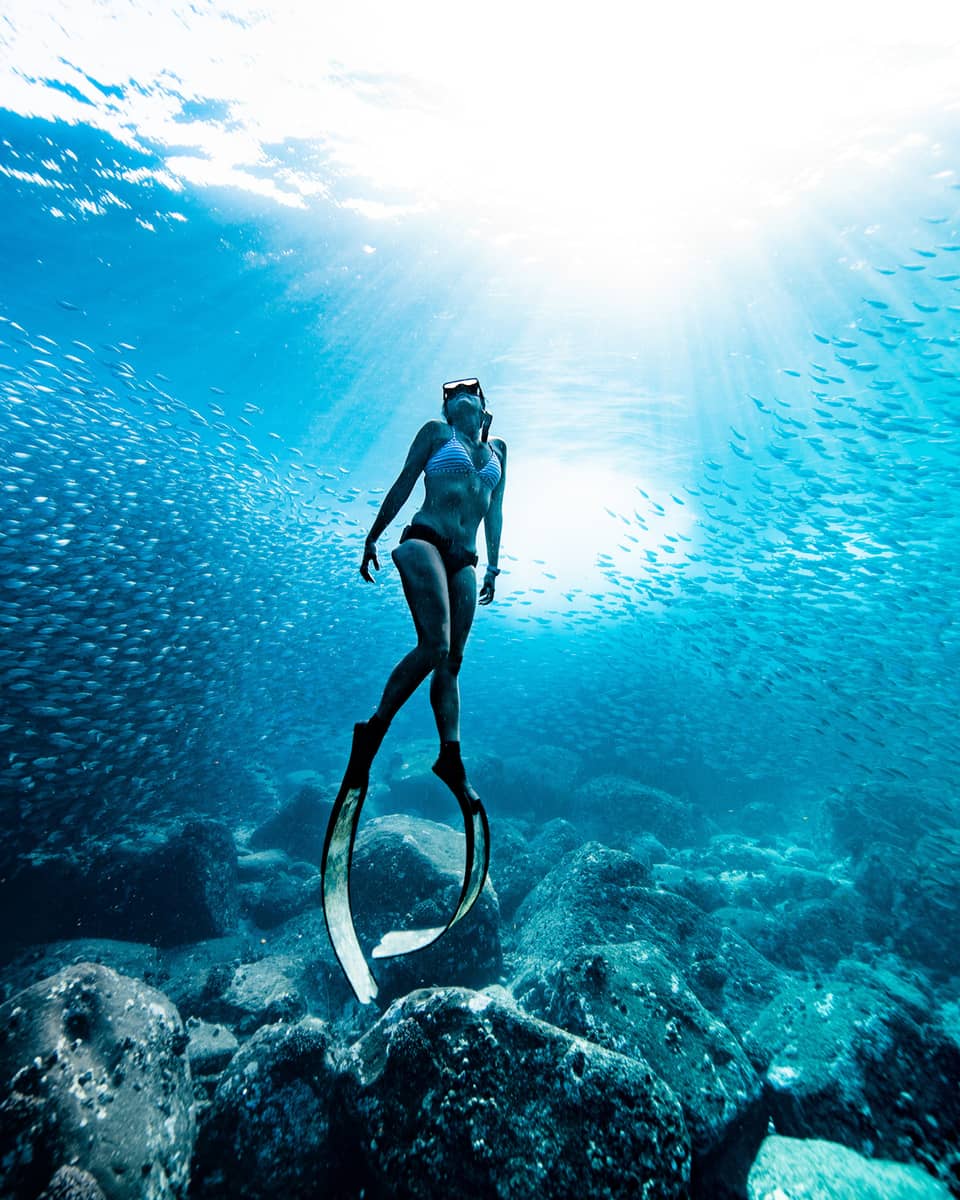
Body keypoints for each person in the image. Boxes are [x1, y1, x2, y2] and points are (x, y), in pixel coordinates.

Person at [348, 377, 506, 796]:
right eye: (450, 393)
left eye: (468, 389)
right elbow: (404, 482)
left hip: (466, 559)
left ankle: (450, 757)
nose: (458, 393)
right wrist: (373, 536)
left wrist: (494, 566)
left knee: (452, 661)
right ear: (446, 409)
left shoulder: (499, 452)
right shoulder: (436, 433)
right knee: (434, 644)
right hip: (424, 539)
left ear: (484, 405)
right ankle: (373, 730)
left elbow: (495, 512)